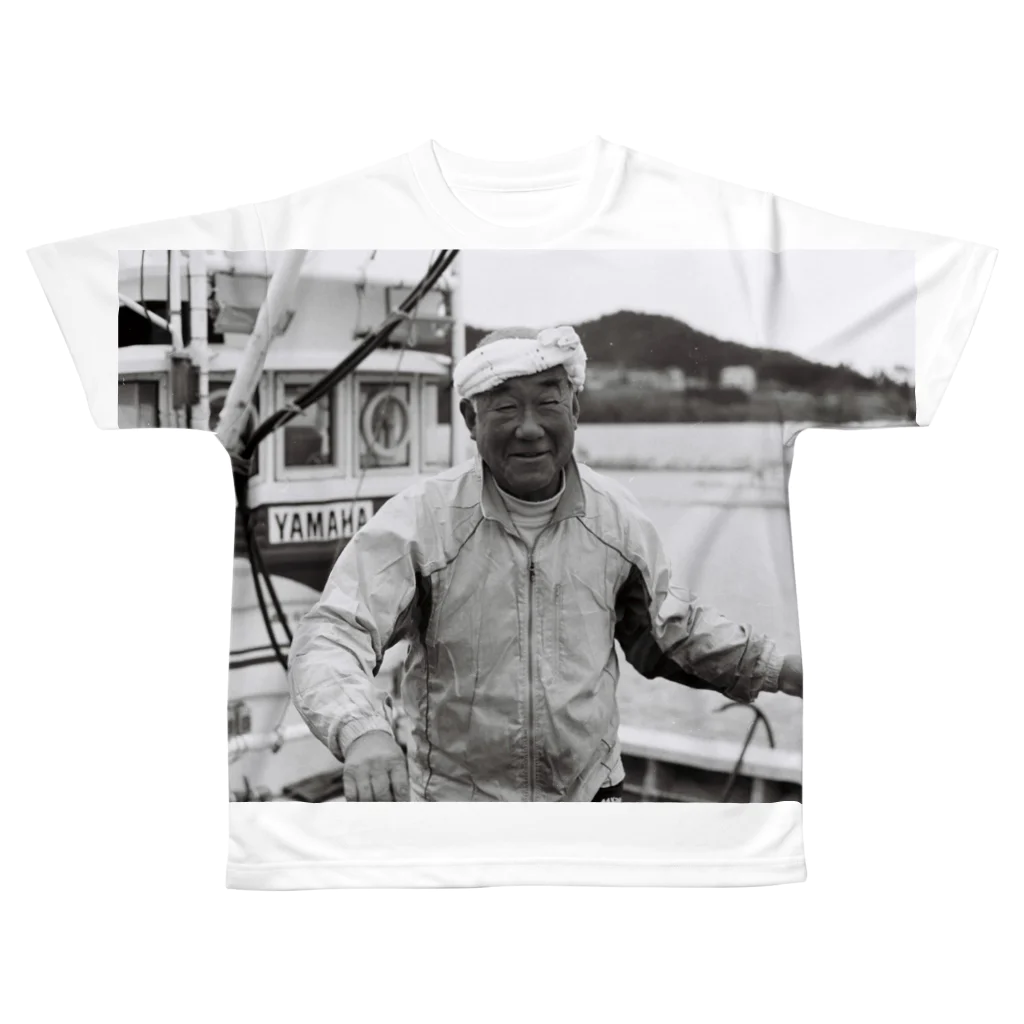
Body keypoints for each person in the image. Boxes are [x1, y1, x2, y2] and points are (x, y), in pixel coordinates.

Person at [287, 325, 802, 802]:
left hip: (590, 798)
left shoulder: (615, 517)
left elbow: (671, 630)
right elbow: (334, 632)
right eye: (505, 408)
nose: (529, 428)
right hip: (458, 806)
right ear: (470, 419)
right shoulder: (422, 520)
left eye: (548, 403)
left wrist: (778, 668)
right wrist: (362, 730)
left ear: (574, 408)